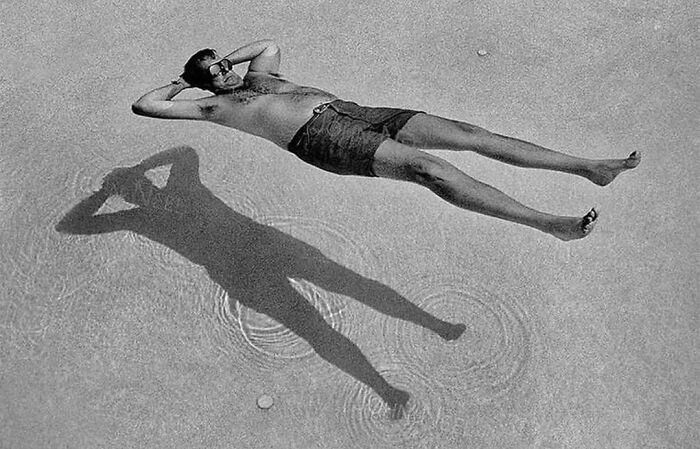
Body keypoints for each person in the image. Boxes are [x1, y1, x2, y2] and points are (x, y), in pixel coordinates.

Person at [132, 39, 641, 241]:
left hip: (355, 111)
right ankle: (549, 224)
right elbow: (145, 105)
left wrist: (229, 61)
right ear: (203, 84)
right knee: (430, 171)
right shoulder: (213, 106)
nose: (223, 71)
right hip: (322, 139)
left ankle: (588, 167)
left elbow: (269, 42)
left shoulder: (258, 77)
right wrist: (184, 80)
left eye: (221, 62)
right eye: (214, 71)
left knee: (469, 134)